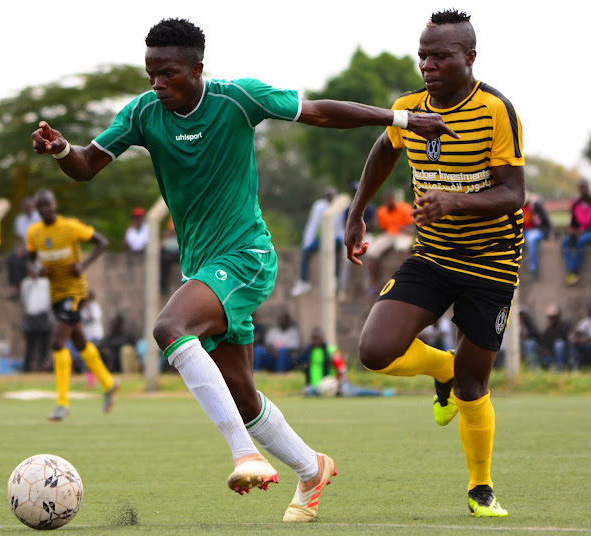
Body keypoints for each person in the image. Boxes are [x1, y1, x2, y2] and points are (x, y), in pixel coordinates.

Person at [31, 17, 454, 522]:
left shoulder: (238, 99)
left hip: (247, 259)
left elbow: (317, 112)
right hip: (204, 270)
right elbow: (86, 164)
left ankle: (243, 454)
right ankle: (311, 468)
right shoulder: (143, 113)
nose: (157, 84)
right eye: (150, 74)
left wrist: (402, 121)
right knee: (243, 394)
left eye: (167, 73)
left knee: (169, 328)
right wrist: (60, 149)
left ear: (197, 68)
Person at [345, 10, 523, 517]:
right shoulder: (408, 108)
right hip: (433, 255)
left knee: (474, 386)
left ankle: (480, 489)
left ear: (469, 57)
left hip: (491, 265)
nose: (428, 64)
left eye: (440, 55)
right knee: (375, 351)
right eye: (423, 54)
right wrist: (357, 215)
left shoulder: (496, 110)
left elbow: (514, 192)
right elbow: (383, 149)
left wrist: (454, 201)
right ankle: (442, 368)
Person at [25, 188, 119, 420]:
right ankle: (108, 382)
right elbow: (29, 262)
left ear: (55, 204)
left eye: (48, 204)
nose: (45, 209)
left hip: (76, 292)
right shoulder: (34, 233)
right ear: (36, 209)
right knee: (79, 341)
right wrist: (38, 271)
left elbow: (101, 242)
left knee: (58, 342)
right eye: (41, 206)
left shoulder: (70, 227)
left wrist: (83, 265)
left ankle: (62, 403)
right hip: (56, 294)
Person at [289, 186, 341, 297]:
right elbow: (313, 225)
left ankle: (335, 279)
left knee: (335, 251)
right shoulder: (319, 206)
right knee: (306, 250)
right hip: (325, 238)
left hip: (339, 238)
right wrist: (307, 242)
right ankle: (304, 281)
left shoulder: (340, 204)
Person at [363, 189, 415, 296]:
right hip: (389, 235)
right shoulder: (382, 211)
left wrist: (404, 229)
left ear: (394, 199)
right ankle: (373, 284)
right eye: (386, 200)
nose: (389, 202)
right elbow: (383, 229)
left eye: (390, 199)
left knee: (402, 248)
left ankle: (405, 279)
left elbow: (413, 228)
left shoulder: (404, 208)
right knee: (372, 252)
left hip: (403, 234)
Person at [337, 181, 376, 301]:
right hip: (352, 237)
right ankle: (343, 290)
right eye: (354, 192)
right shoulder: (348, 209)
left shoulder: (369, 207)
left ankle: (368, 285)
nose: (356, 195)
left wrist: (360, 227)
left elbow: (373, 225)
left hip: (366, 236)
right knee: (346, 260)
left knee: (369, 256)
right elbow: (346, 226)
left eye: (357, 192)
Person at [7, 195, 41, 299]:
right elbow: (21, 238)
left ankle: (24, 288)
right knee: (11, 260)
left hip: (36, 247)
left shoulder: (39, 217)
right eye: (26, 206)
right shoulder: (20, 219)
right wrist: (19, 249)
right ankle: (16, 288)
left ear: (33, 206)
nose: (28, 208)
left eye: (30, 206)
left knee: (22, 261)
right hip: (25, 247)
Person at [20, 273, 53, 372]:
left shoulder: (46, 283)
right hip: (31, 316)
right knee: (30, 346)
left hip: (43, 315)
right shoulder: (26, 283)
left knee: (44, 346)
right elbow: (25, 299)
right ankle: (27, 369)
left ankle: (43, 368)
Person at [562, 178, 591, 287]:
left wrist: (582, 232)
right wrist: (573, 230)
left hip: (588, 232)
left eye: (584, 187)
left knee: (580, 241)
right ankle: (571, 270)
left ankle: (575, 272)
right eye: (581, 187)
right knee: (565, 242)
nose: (583, 189)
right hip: (579, 231)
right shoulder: (576, 204)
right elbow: (573, 222)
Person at [521, 192, 552, 281]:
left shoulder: (535, 206)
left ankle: (533, 267)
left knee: (531, 238)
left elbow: (546, 220)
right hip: (524, 231)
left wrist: (549, 233)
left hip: (537, 230)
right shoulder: (518, 208)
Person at [536, 304, 571, 371]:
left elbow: (568, 341)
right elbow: (543, 344)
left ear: (558, 316)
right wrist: (542, 349)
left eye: (553, 317)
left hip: (565, 355)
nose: (552, 319)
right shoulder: (547, 330)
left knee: (559, 345)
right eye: (550, 317)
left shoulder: (565, 327)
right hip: (550, 356)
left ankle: (560, 370)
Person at [569, 304, 591, 370]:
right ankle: (574, 369)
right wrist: (574, 338)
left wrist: (582, 340)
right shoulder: (587, 321)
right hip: (588, 349)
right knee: (574, 345)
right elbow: (577, 332)